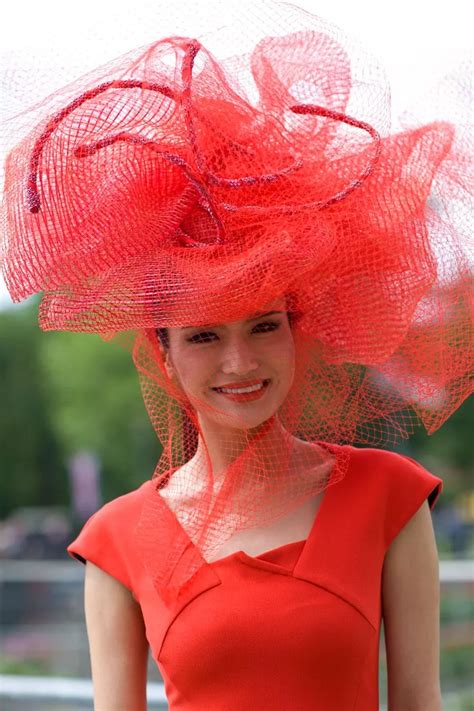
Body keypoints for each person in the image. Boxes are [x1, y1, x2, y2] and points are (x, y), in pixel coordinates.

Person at [0, 2, 471, 709]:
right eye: (203, 336)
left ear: (298, 326)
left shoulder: (388, 498)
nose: (239, 363)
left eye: (263, 324)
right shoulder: (119, 539)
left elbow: (418, 700)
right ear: (161, 354)